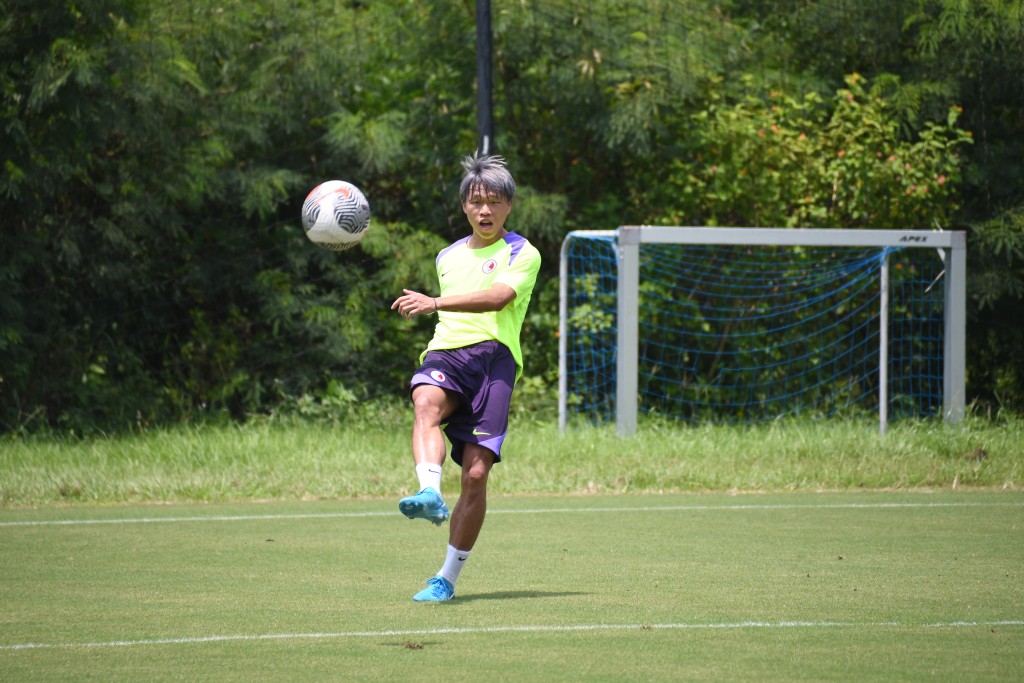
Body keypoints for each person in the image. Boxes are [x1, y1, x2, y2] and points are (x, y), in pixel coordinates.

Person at [390, 153, 541, 602]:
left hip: (495, 361)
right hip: (446, 351)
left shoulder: (522, 251)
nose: (485, 211)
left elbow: (498, 298)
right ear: (464, 206)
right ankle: (429, 490)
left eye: (494, 201)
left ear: (508, 206)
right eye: (477, 202)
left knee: (475, 474)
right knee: (425, 404)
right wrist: (439, 309)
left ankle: (447, 578)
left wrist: (435, 302)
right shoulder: (447, 256)